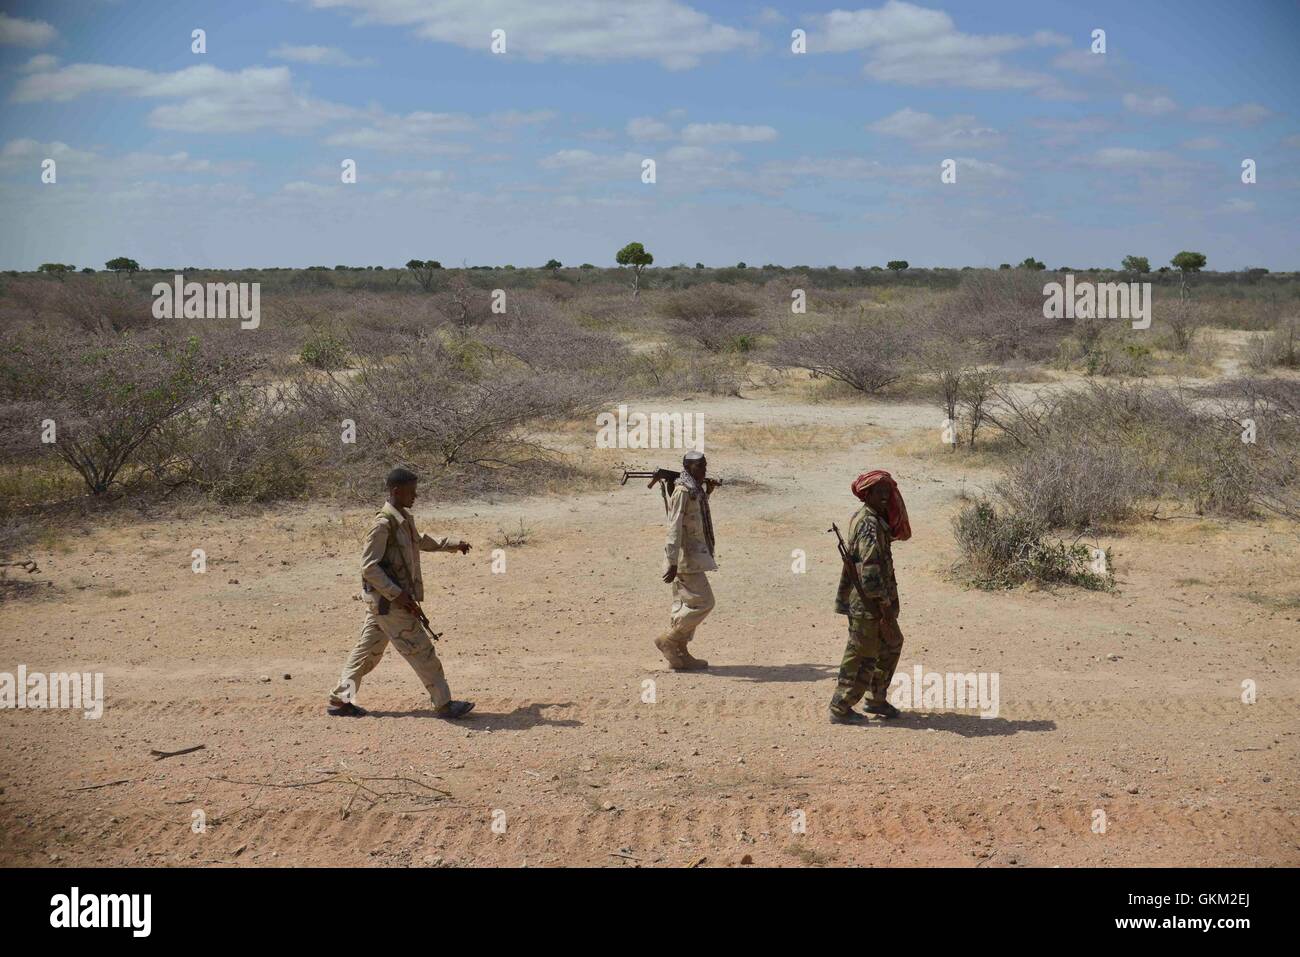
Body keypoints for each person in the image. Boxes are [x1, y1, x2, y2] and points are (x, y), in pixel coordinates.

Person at [327, 467, 475, 719]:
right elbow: (368, 567)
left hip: (383, 605)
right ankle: (444, 704)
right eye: (411, 491)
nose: (415, 496)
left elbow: (420, 541)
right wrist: (398, 594)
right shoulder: (383, 525)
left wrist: (452, 545)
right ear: (396, 491)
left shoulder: (402, 520)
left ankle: (341, 700)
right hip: (390, 603)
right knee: (421, 650)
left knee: (366, 654)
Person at [829, 470, 912, 724]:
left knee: (891, 643)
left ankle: (876, 698)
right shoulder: (869, 523)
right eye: (880, 492)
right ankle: (840, 707)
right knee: (861, 653)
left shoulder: (874, 518)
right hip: (868, 603)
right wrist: (883, 605)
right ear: (868, 494)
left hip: (873, 601)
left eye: (887, 491)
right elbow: (871, 568)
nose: (886, 496)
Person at [655, 451, 718, 670]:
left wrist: (706, 492)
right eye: (699, 467)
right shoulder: (683, 491)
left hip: (692, 557)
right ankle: (669, 639)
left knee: (685, 605)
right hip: (685, 559)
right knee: (704, 603)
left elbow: (695, 516)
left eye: (704, 466)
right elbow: (674, 526)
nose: (703, 471)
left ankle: (680, 654)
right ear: (687, 468)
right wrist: (672, 561)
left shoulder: (694, 491)